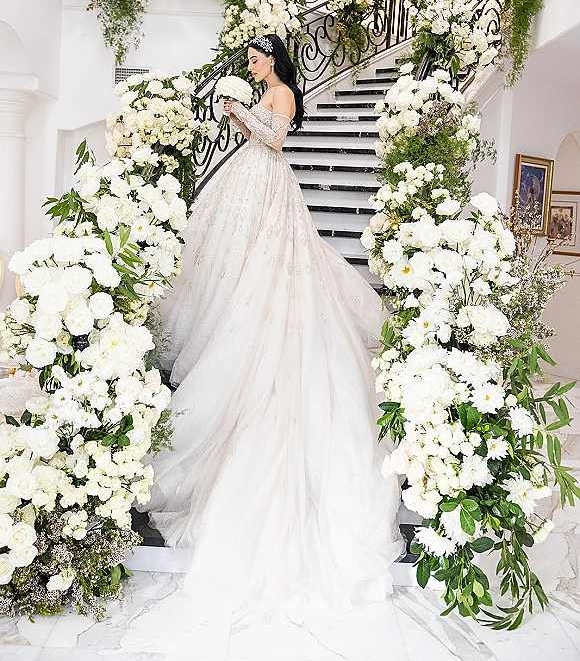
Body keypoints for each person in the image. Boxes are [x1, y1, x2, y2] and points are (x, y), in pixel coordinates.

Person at [145, 33, 402, 619]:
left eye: (259, 60)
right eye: (253, 62)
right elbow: (253, 136)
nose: (254, 67)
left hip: (268, 186)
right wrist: (237, 116)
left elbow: (277, 140)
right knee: (226, 258)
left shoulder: (282, 94)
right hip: (247, 182)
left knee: (271, 264)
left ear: (274, 63)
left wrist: (243, 115)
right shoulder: (265, 90)